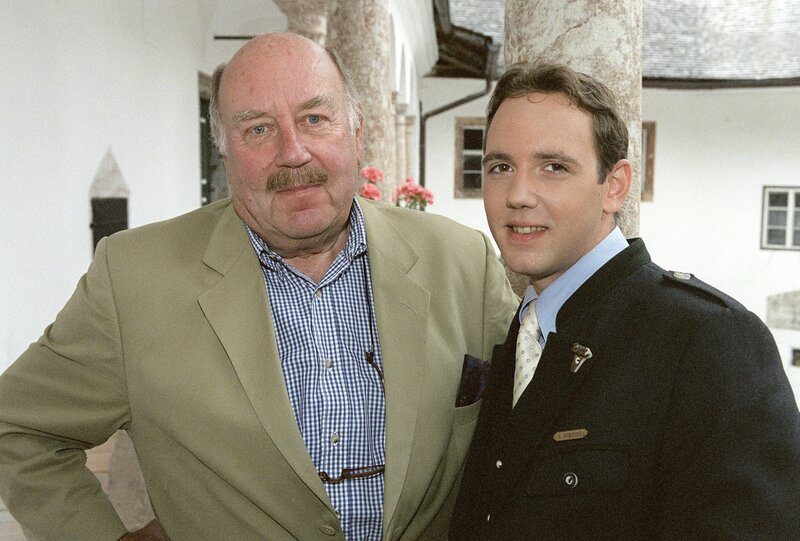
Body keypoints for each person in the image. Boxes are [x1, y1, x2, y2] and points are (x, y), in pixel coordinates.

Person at [0, 33, 518, 540]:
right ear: (225, 157)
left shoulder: (462, 262)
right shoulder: (132, 280)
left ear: (358, 134)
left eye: (314, 119)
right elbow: (17, 427)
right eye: (258, 129)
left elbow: (540, 421)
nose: (293, 153)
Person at [449, 61, 800, 540]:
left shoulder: (708, 338)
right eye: (500, 167)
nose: (519, 194)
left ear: (614, 186)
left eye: (554, 167)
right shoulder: (526, 330)